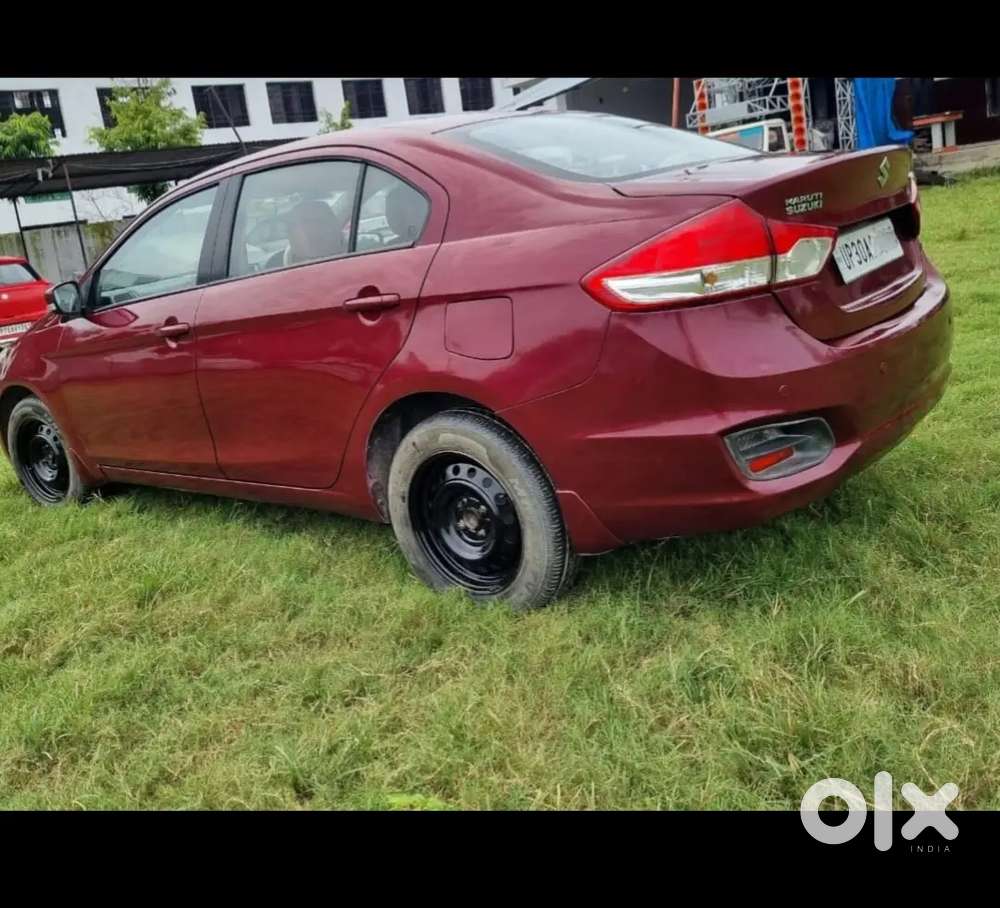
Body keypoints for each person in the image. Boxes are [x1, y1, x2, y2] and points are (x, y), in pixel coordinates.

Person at [267, 199, 346, 270]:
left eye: (320, 222)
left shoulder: (355, 257)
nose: (313, 229)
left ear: (335, 226)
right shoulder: (274, 266)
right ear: (290, 233)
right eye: (305, 222)